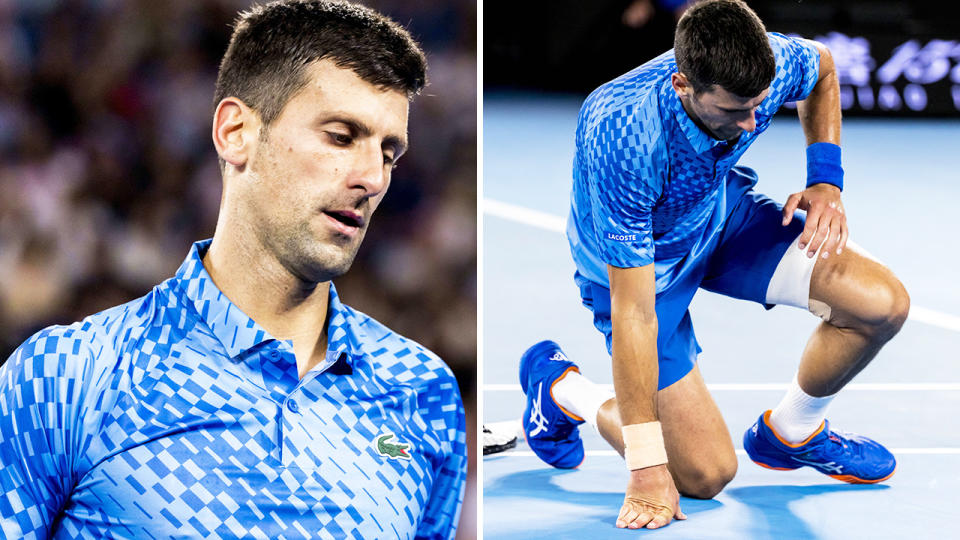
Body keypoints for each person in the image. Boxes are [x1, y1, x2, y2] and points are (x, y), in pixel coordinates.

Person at [0, 1, 467, 538]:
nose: (372, 178)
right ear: (236, 132)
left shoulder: (423, 390)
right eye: (341, 136)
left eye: (389, 153)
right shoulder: (65, 377)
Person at [519, 0, 909, 531]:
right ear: (683, 86)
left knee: (882, 305)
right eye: (733, 112)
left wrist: (826, 179)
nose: (752, 123)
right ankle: (562, 389)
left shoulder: (763, 64)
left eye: (759, 105)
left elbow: (822, 66)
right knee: (704, 476)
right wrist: (646, 467)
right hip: (645, 271)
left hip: (720, 219)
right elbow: (635, 313)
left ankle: (793, 432)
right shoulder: (623, 134)